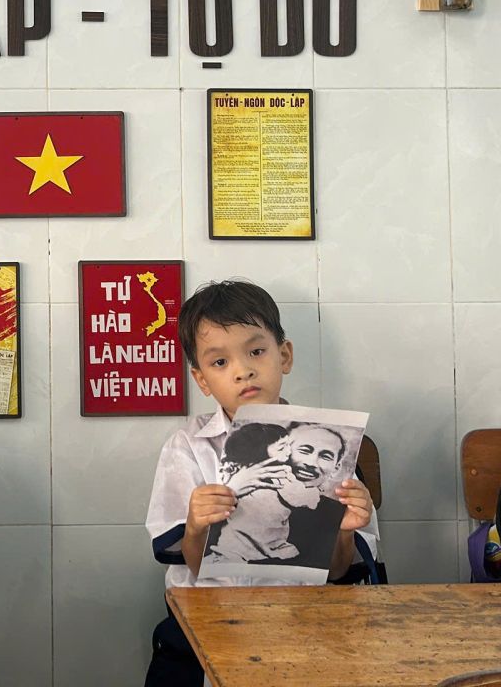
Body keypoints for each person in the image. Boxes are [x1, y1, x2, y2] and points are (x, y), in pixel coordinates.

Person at [144, 280, 377, 687]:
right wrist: (196, 526)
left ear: (284, 356)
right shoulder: (189, 446)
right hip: (212, 627)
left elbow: (339, 571)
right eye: (220, 362)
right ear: (201, 380)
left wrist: (344, 530)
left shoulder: (330, 442)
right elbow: (193, 564)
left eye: (256, 352)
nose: (243, 370)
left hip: (307, 626)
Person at [212, 421, 350, 564]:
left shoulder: (336, 512)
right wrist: (233, 490)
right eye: (304, 450)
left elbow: (336, 569)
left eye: (326, 456)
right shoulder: (229, 492)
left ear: (336, 467)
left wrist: (347, 533)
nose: (311, 463)